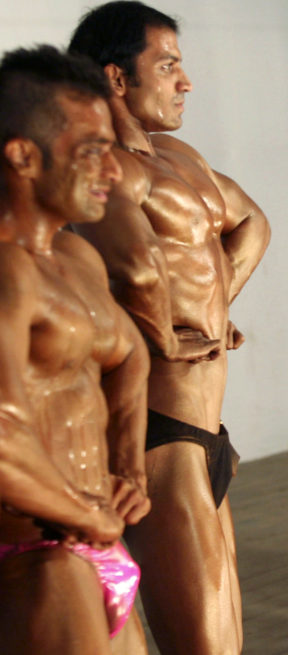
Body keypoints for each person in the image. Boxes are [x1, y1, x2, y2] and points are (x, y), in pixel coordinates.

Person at [68, 3, 271, 652]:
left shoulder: (179, 157)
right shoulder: (98, 171)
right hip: (157, 436)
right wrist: (156, 331)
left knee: (228, 640)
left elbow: (253, 222)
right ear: (116, 80)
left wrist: (216, 308)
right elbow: (109, 275)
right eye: (168, 66)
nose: (185, 83)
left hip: (207, 432)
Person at [0, 45, 150, 654]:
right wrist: (86, 517)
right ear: (22, 156)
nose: (112, 172)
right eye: (92, 152)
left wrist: (128, 466)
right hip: (34, 558)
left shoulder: (76, 258)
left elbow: (130, 355)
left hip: (95, 545)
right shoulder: (7, 272)